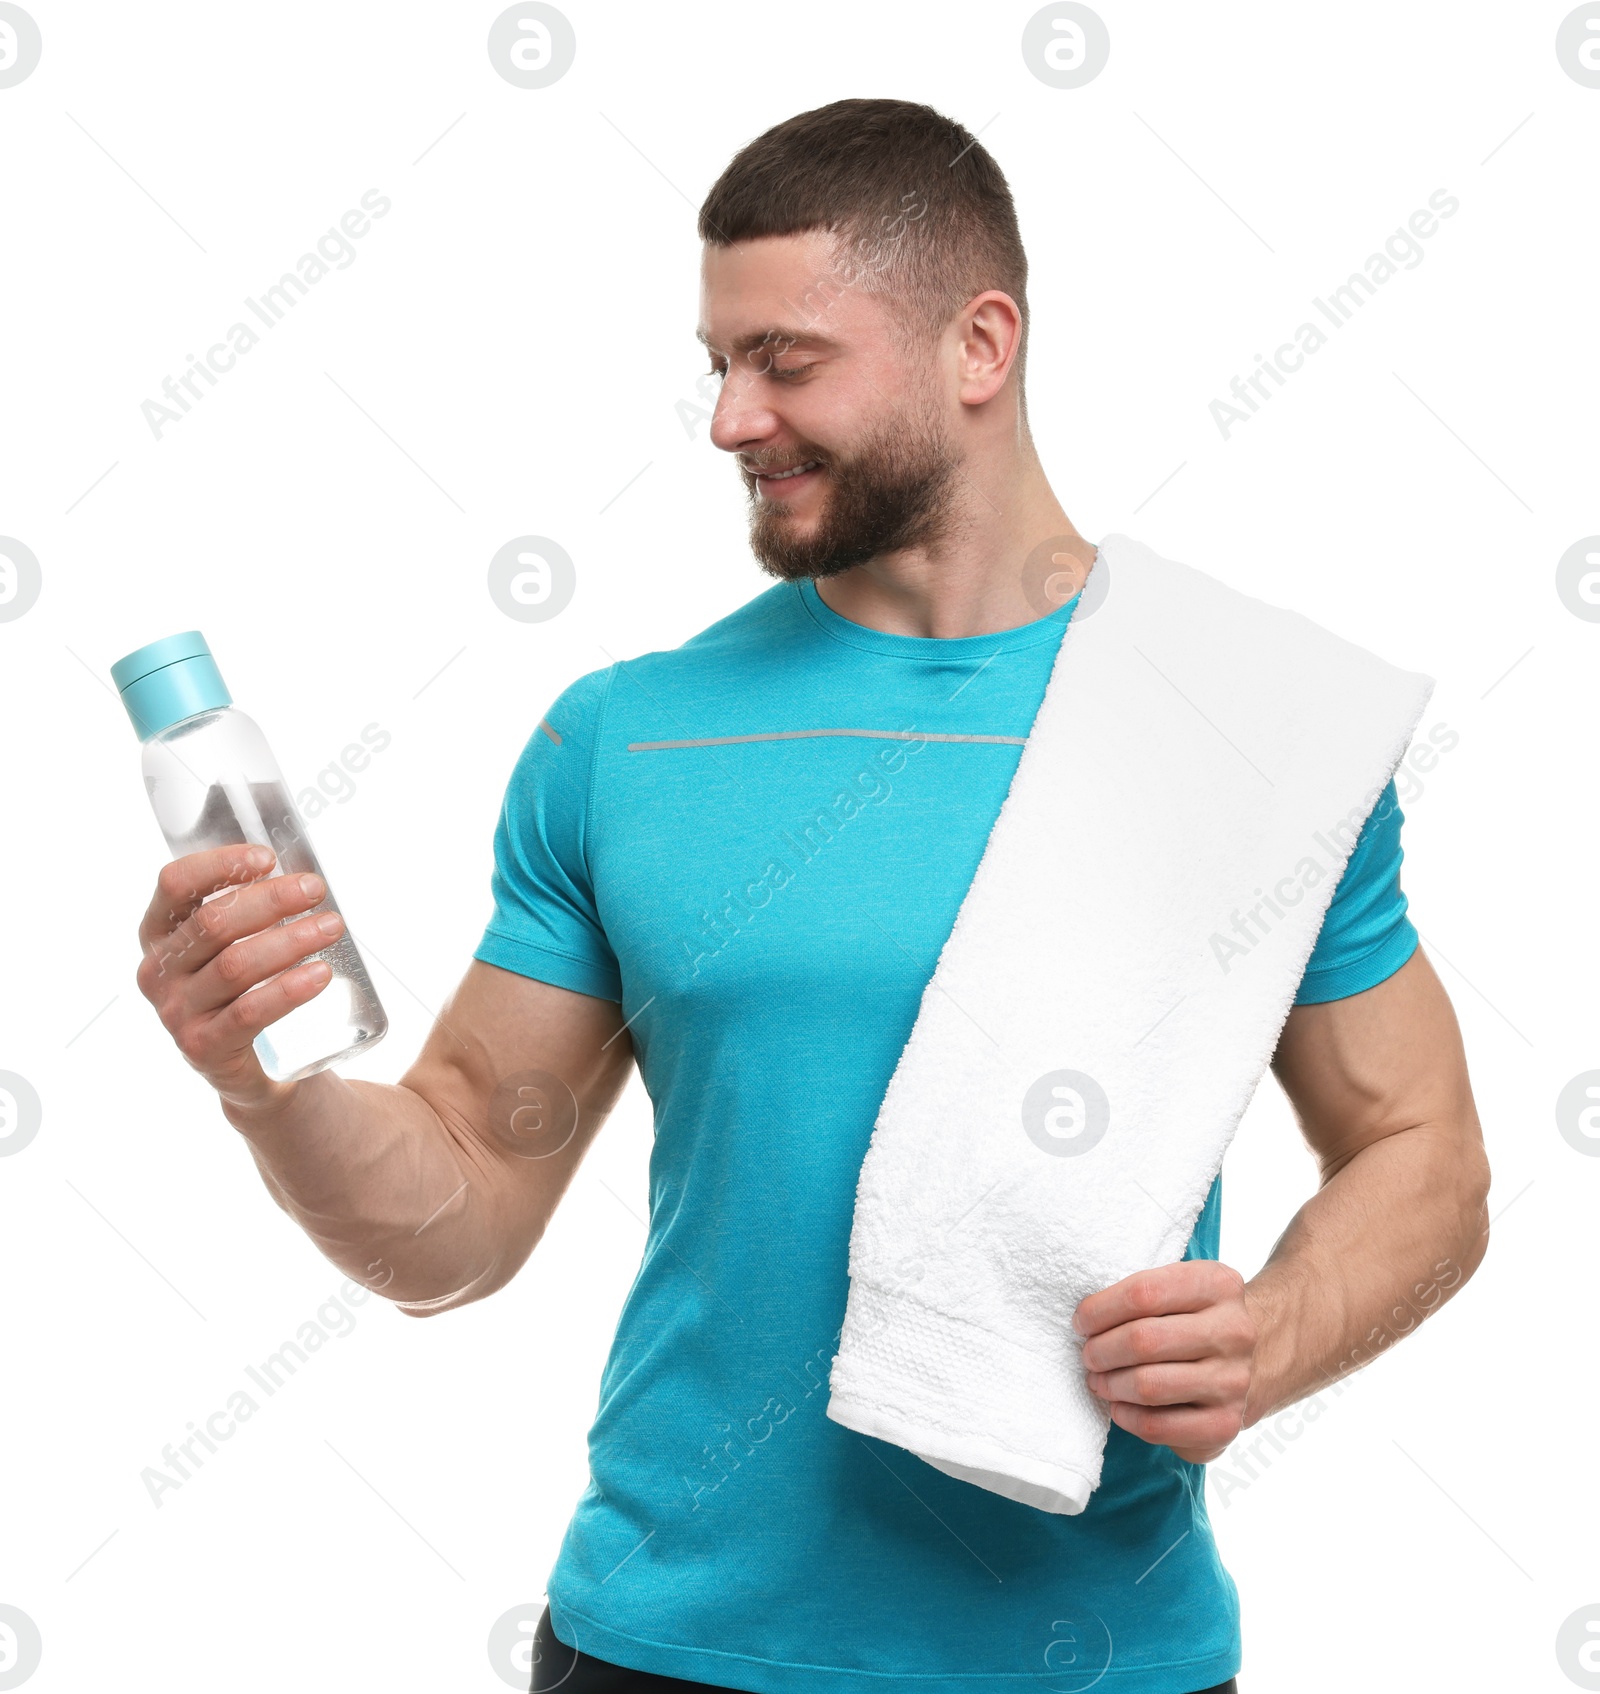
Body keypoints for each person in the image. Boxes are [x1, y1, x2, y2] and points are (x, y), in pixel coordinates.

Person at [135, 99, 1491, 1694]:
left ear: (979, 345)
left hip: (1097, 1657)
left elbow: (1430, 1155)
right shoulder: (625, 737)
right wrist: (257, 1081)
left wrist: (1274, 1332)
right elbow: (458, 1224)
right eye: (716, 362)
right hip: (666, 1650)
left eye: (785, 360)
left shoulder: (1240, 724)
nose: (728, 418)